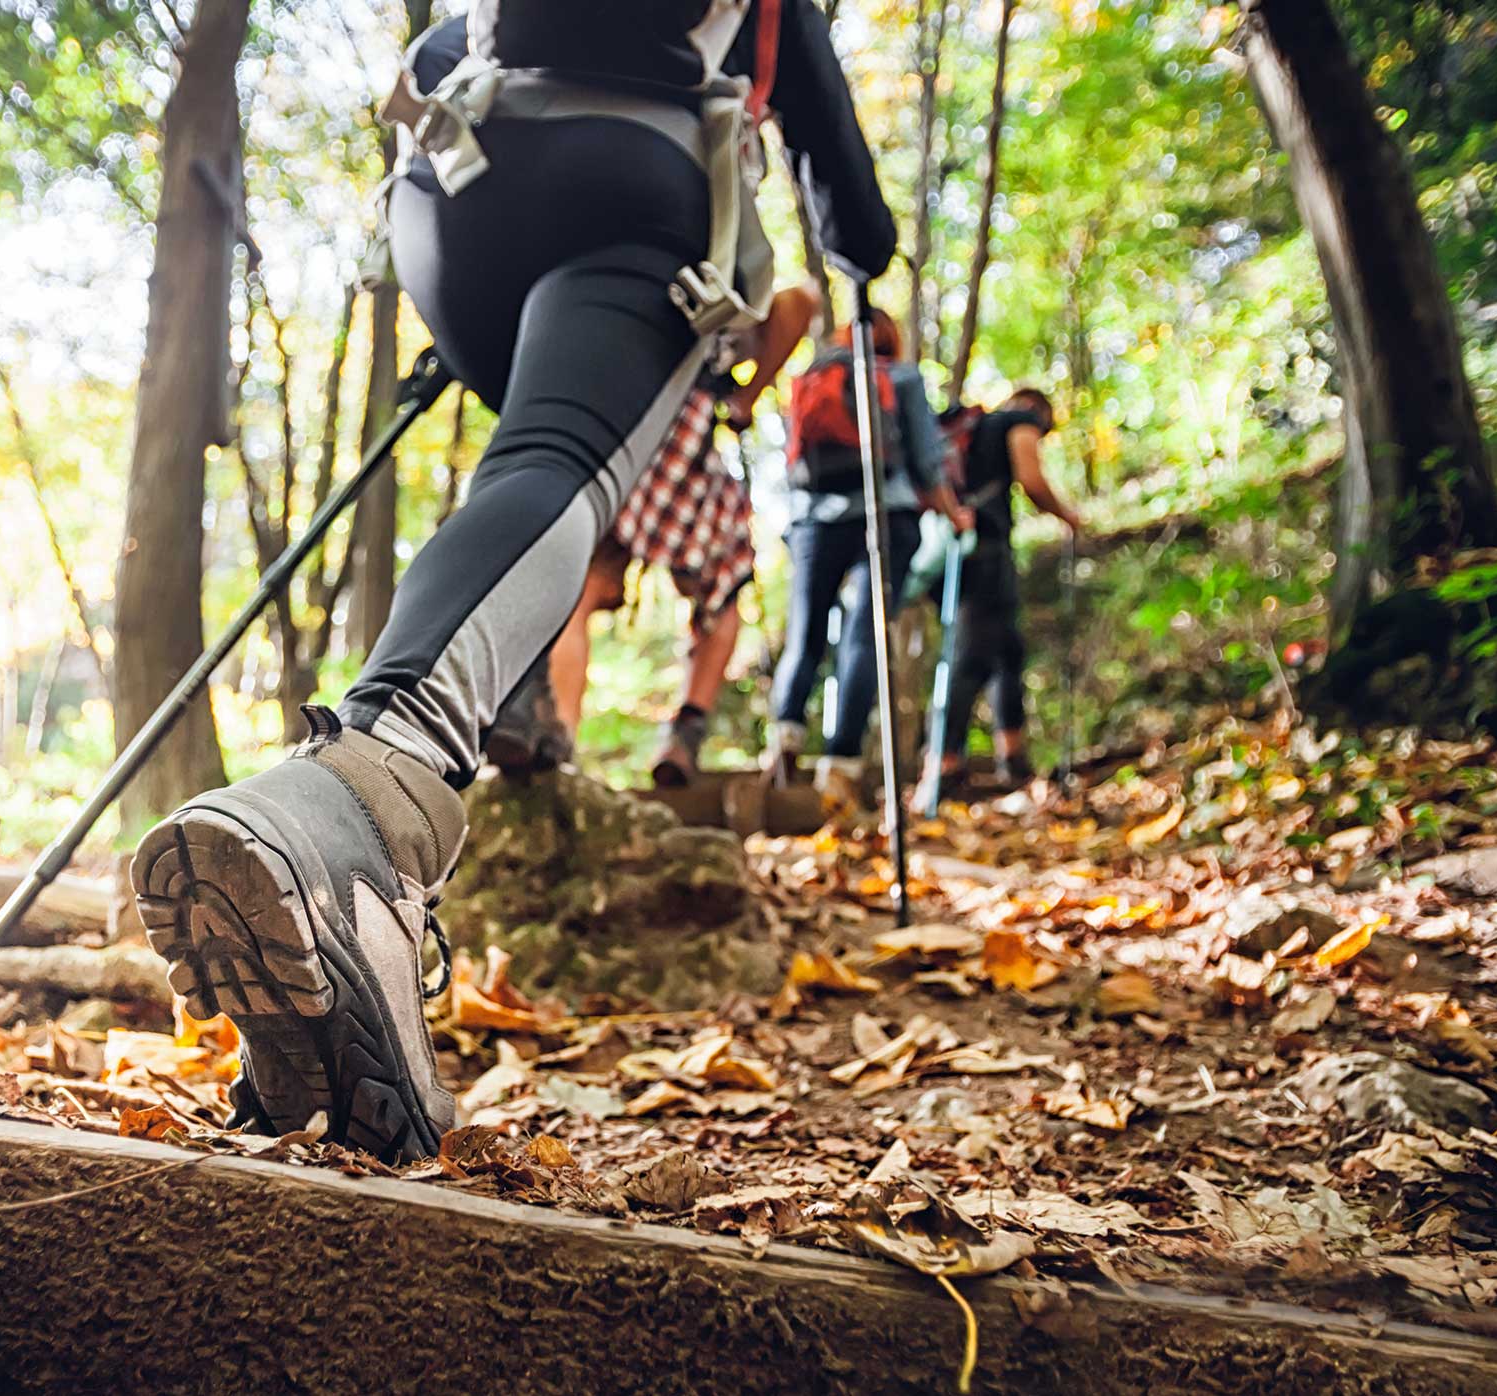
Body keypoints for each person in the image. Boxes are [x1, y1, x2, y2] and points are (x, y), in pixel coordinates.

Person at [130, 0, 897, 1162]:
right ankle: (366, 810)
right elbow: (848, 209)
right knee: (557, 463)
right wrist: (859, 255)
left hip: (448, 184)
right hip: (625, 179)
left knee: (526, 456)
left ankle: (506, 720)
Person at [488, 282, 821, 787]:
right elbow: (804, 300)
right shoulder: (715, 279)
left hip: (610, 428)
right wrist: (746, 397)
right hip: (684, 441)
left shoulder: (611, 286)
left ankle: (556, 736)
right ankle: (684, 733)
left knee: (576, 591)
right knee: (721, 591)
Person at [765, 311, 971, 812]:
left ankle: (784, 742)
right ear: (892, 341)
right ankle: (840, 765)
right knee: (864, 634)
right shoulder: (901, 377)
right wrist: (953, 513)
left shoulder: (816, 373)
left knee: (806, 632)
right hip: (885, 513)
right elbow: (926, 457)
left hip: (815, 519)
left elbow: (792, 461)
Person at [914, 385, 1080, 806]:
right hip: (982, 550)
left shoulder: (968, 431)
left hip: (956, 551)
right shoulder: (1017, 421)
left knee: (1007, 650)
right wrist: (1067, 516)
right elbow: (1031, 479)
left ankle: (1013, 758)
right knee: (969, 656)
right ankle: (944, 766)